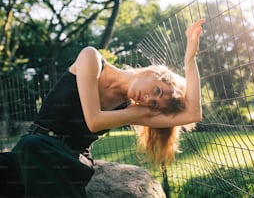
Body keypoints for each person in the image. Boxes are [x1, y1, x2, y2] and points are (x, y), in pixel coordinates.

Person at [0, 18, 205, 197]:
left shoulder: (132, 110)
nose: (148, 99)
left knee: (34, 146)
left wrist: (190, 60)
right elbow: (94, 119)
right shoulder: (92, 59)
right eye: (158, 91)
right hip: (28, 153)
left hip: (66, 161)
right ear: (153, 72)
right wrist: (139, 112)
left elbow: (193, 113)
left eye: (153, 104)